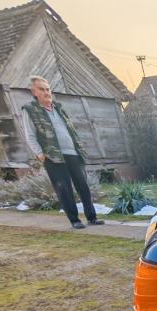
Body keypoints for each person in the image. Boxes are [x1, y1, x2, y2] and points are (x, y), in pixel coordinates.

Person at [21, 76, 104, 229]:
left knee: (83, 186)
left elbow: (70, 130)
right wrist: (40, 154)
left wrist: (79, 148)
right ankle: (74, 220)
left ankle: (92, 217)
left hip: (73, 153)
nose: (46, 92)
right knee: (64, 189)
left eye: (48, 89)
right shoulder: (30, 110)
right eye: (42, 89)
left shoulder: (59, 108)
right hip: (53, 156)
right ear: (34, 92)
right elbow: (30, 135)